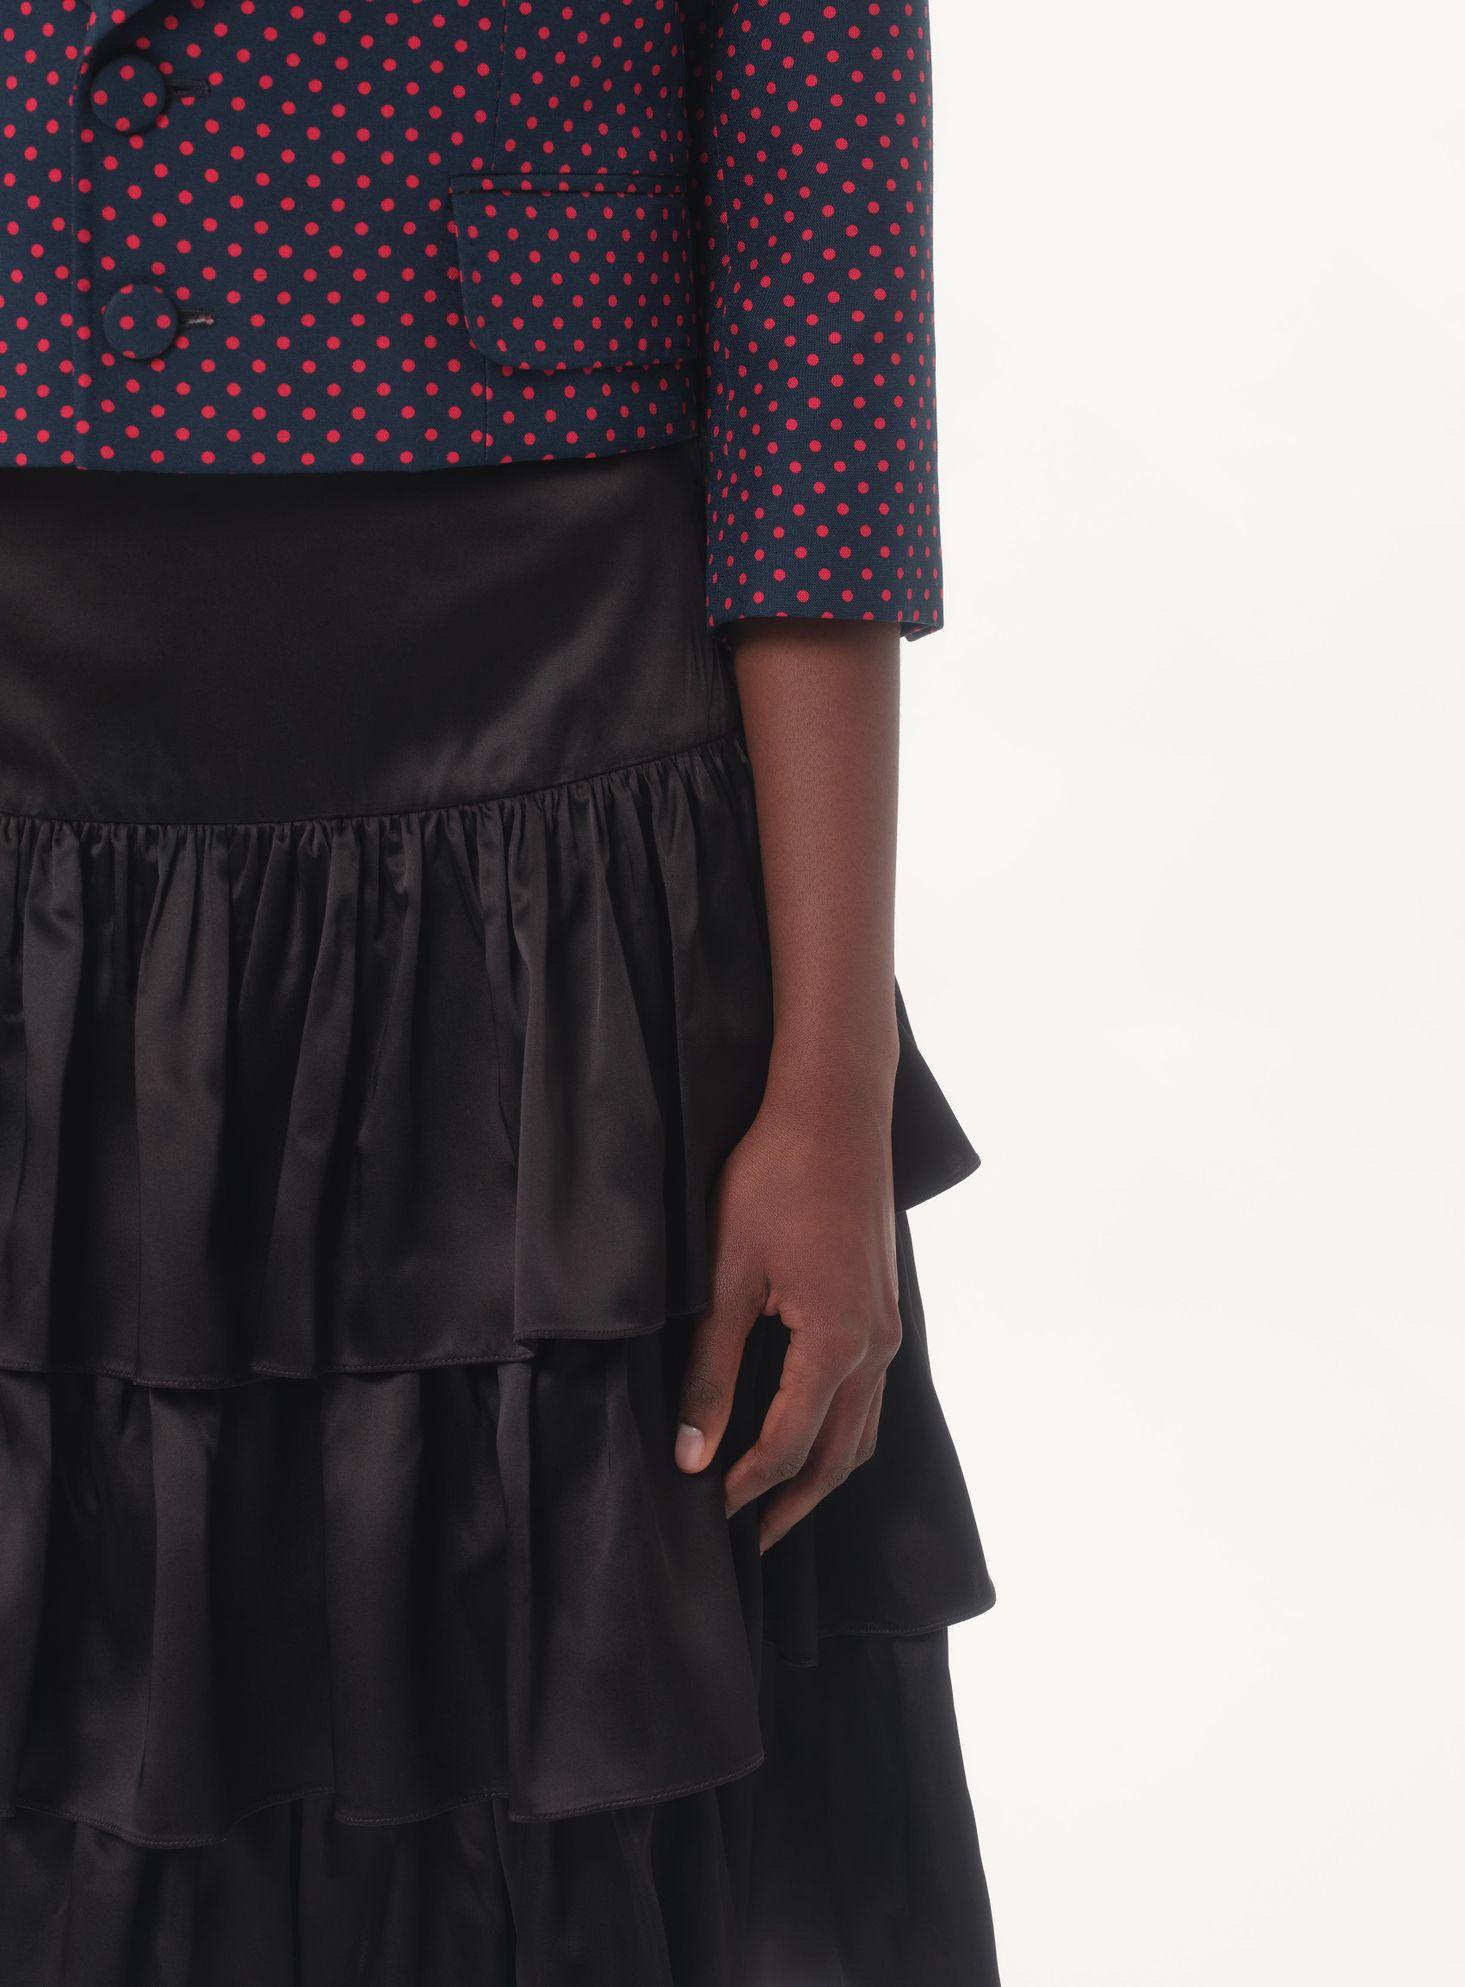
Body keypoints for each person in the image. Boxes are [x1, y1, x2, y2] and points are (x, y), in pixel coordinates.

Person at [0, 2, 999, 1980]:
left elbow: (821, 327)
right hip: (38, 840)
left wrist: (824, 1085)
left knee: (566, 1782)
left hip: (553, 819)